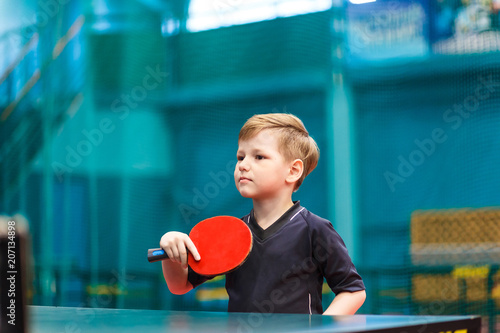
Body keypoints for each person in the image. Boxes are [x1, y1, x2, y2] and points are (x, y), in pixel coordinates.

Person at [159, 113, 366, 315]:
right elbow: (181, 285)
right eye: (240, 157)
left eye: (259, 157)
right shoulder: (231, 234)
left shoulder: (315, 229)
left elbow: (352, 291)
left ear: (293, 171)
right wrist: (170, 250)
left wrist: (323, 330)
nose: (243, 165)